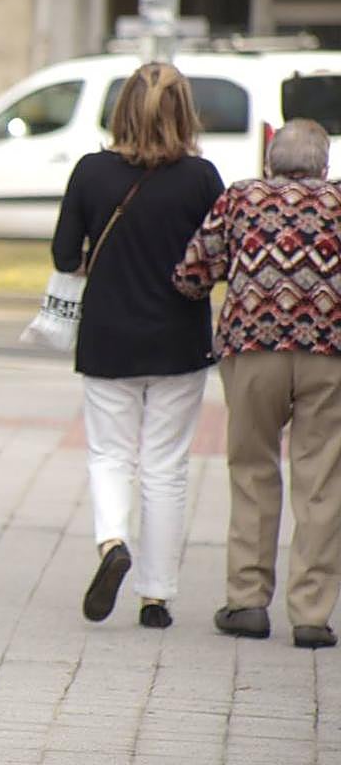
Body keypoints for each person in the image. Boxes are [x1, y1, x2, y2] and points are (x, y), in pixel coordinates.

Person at [51, 62, 224, 630]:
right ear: (186, 113)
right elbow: (219, 255)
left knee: (108, 454)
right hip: (179, 338)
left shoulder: (91, 172)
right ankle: (156, 596)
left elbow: (63, 254)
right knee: (166, 466)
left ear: (120, 109)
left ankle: (111, 543)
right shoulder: (202, 178)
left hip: (107, 336)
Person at [173, 119, 341, 649]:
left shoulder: (242, 197)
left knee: (251, 470)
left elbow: (193, 273)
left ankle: (247, 602)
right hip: (329, 354)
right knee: (322, 482)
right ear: (325, 164)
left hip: (253, 351)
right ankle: (311, 614)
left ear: (270, 160)